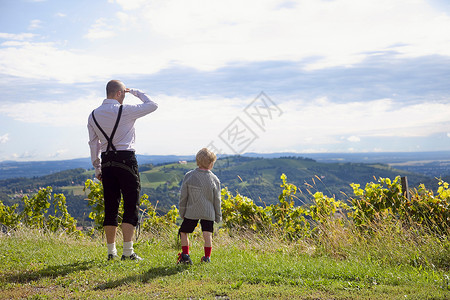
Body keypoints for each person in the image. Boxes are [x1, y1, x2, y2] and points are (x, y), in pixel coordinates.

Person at [87, 80, 158, 261]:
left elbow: (93, 143)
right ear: (119, 93)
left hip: (107, 161)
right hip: (126, 159)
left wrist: (97, 167)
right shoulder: (125, 110)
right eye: (124, 93)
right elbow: (152, 105)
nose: (125, 96)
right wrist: (135, 91)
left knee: (111, 206)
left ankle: (111, 252)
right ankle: (128, 252)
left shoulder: (93, 115)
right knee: (130, 205)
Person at [177, 148, 222, 264]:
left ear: (197, 161)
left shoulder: (189, 176)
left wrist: (182, 212)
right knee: (207, 234)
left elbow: (183, 197)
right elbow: (217, 200)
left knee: (183, 232)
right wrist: (218, 216)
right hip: (209, 212)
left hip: (192, 211)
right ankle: (207, 257)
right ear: (211, 164)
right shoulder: (214, 179)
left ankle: (185, 255)